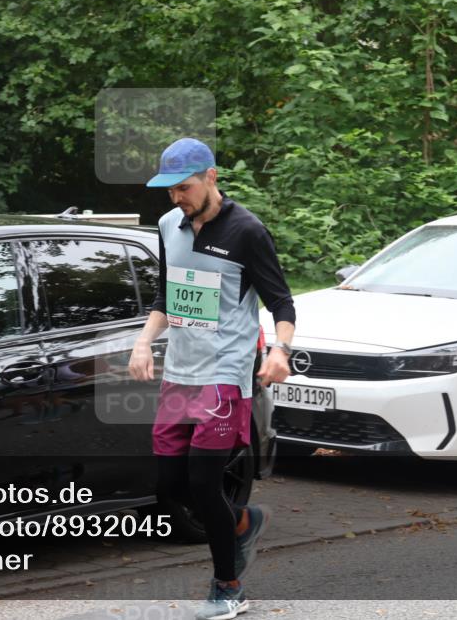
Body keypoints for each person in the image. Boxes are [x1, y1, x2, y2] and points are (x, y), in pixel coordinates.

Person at [128, 137, 296, 620]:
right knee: (170, 485)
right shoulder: (168, 225)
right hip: (181, 372)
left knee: (204, 481)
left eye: (184, 187)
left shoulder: (247, 231)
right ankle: (241, 523)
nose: (177, 197)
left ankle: (228, 588)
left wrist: (281, 350)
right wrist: (144, 342)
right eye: (170, 190)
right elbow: (168, 295)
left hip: (224, 372)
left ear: (211, 178)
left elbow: (281, 302)